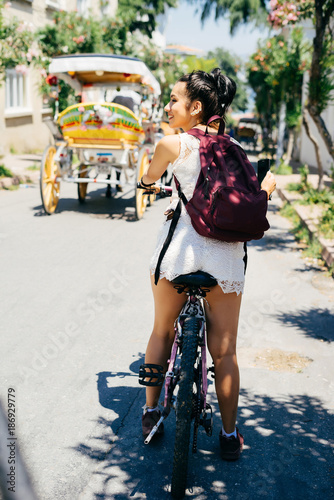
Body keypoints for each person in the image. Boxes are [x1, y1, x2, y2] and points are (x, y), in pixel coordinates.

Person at [139, 69, 276, 460]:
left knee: (162, 332)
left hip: (179, 256)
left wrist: (148, 182)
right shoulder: (234, 147)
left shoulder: (171, 144)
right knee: (225, 353)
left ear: (195, 108)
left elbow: (148, 181)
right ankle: (230, 436)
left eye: (174, 100)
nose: (168, 107)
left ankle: (151, 413)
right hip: (226, 262)